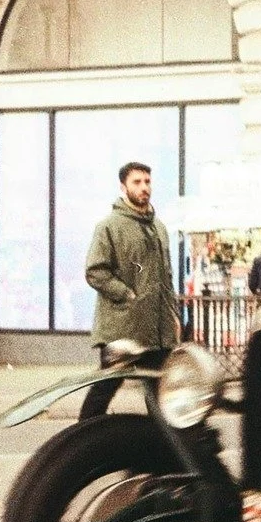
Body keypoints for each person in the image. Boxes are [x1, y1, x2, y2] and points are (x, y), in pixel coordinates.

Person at [81, 161, 179, 418]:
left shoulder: (158, 227)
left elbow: (166, 278)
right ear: (123, 186)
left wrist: (174, 316)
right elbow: (95, 271)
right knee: (105, 388)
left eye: (147, 181)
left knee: (161, 393)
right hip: (121, 328)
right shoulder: (109, 226)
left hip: (158, 330)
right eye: (137, 182)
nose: (144, 187)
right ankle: (82, 440)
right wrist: (127, 295)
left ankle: (165, 447)